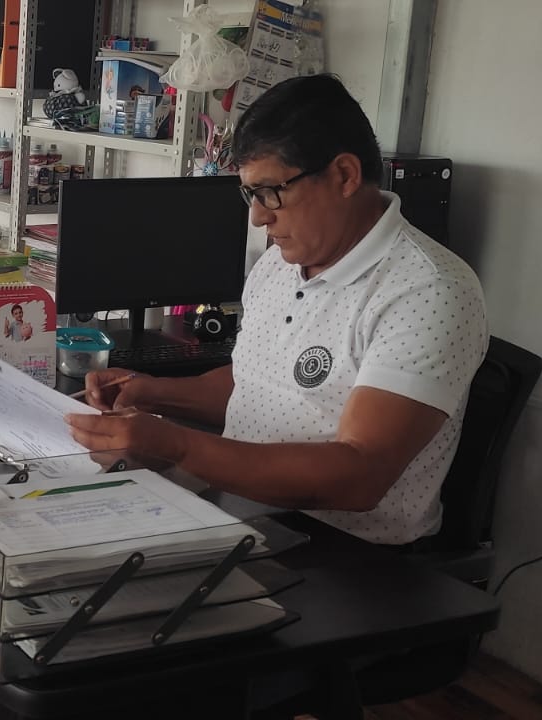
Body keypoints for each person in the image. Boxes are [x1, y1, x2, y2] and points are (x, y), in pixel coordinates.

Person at [66, 75, 488, 547]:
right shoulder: (279, 264)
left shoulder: (428, 290)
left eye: (271, 191)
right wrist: (151, 393)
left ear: (345, 176)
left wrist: (177, 446)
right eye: (251, 194)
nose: (258, 216)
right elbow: (255, 384)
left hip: (343, 551)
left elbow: (360, 475)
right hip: (240, 510)